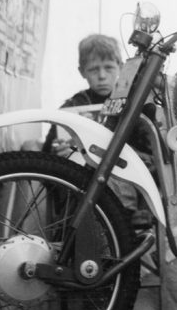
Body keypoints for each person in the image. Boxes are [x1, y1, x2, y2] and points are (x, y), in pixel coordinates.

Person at [45, 34, 155, 222]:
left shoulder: (136, 104)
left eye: (108, 68)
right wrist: (58, 153)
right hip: (82, 189)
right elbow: (43, 160)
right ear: (82, 72)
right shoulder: (71, 108)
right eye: (94, 69)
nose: (102, 76)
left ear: (120, 66)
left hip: (129, 184)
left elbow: (154, 155)